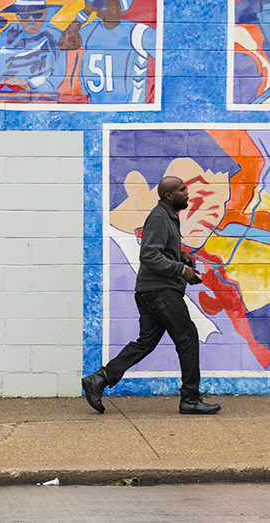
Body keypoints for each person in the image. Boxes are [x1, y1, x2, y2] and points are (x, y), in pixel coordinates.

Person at [82, 175, 221, 415]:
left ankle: (100, 378)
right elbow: (148, 255)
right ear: (169, 196)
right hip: (161, 292)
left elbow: (159, 251)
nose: (187, 193)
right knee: (187, 337)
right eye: (182, 189)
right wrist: (181, 269)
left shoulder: (168, 217)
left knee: (146, 342)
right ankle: (190, 399)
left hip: (151, 291)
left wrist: (181, 256)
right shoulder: (159, 218)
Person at [59, 0, 156, 104]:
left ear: (119, 5)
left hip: (129, 109)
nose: (101, 1)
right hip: (95, 107)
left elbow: (171, 55)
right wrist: (86, 11)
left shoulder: (137, 32)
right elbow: (65, 44)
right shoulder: (91, 29)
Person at [0, 0, 65, 102]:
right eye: (25, 16)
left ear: (45, 14)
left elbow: (57, 75)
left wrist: (27, 84)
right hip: (2, 94)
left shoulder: (56, 37)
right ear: (18, 17)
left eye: (37, 15)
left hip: (37, 99)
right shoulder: (8, 33)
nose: (31, 20)